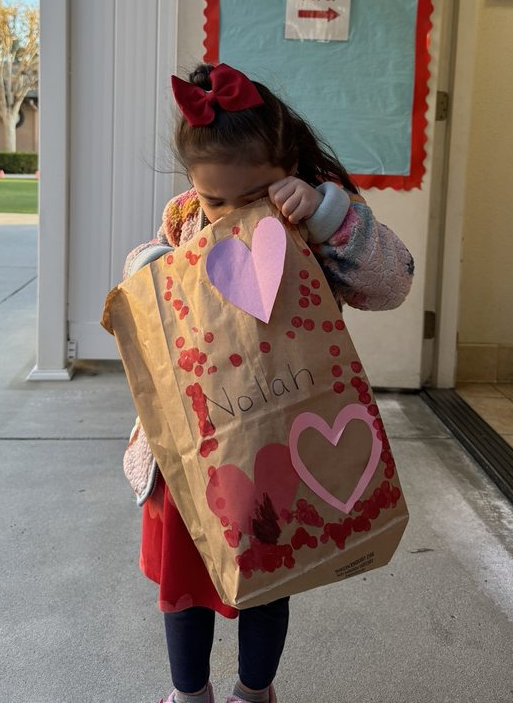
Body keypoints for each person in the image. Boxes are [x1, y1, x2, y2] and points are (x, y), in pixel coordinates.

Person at [123, 62, 414, 703]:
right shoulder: (182, 220)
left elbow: (393, 283)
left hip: (278, 438)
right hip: (195, 445)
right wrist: (153, 271)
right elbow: (150, 311)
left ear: (285, 164)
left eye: (248, 198)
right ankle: (188, 693)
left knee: (270, 574)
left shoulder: (313, 219)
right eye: (213, 201)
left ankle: (255, 692)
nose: (227, 216)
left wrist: (330, 216)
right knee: (186, 574)